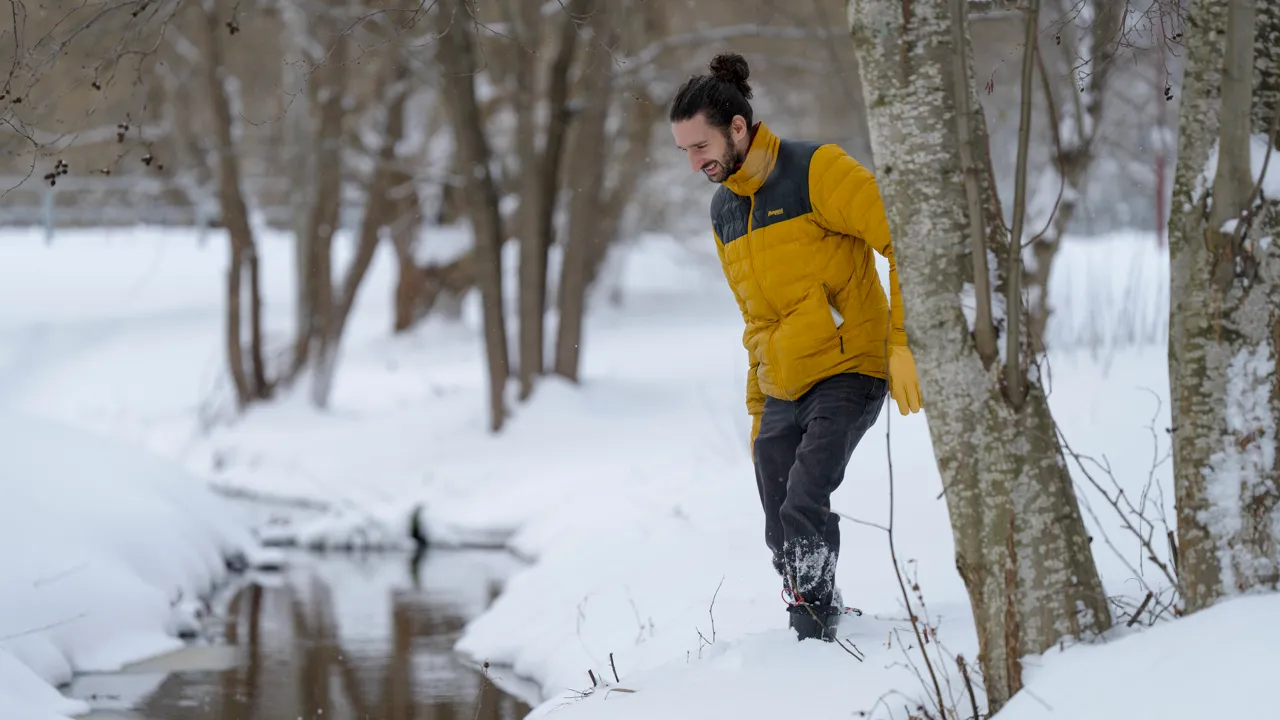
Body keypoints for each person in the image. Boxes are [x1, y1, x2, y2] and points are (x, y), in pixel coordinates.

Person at [669, 51, 924, 642]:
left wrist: (903, 343)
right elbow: (755, 322)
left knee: (804, 503)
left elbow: (905, 239)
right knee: (777, 519)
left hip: (848, 368)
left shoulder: (817, 171)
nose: (694, 163)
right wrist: (759, 412)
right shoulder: (725, 210)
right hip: (782, 383)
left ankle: (812, 642)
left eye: (700, 147)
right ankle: (817, 613)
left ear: (738, 127)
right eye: (684, 151)